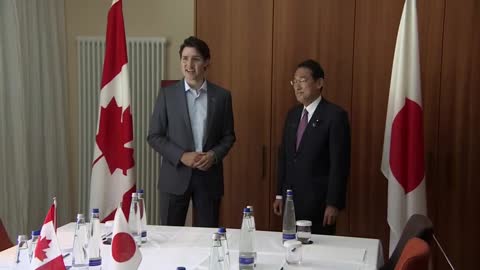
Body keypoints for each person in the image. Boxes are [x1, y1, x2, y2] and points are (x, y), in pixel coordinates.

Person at [147, 36, 235, 227]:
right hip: (174, 177)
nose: (189, 64)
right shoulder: (167, 95)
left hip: (209, 178)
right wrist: (181, 156)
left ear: (206, 63)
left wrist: (214, 155)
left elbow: (228, 136)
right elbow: (154, 136)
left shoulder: (222, 97)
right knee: (170, 238)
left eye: (195, 59)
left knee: (207, 239)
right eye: (185, 58)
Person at [272, 59, 351, 235]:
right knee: (291, 247)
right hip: (291, 202)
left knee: (318, 253)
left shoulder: (335, 116)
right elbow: (284, 156)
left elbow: (340, 164)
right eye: (294, 81)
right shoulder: (292, 115)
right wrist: (279, 194)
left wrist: (333, 203)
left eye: (303, 80)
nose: (297, 87)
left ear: (319, 83)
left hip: (319, 204)